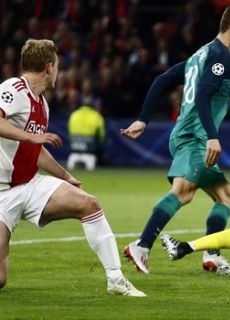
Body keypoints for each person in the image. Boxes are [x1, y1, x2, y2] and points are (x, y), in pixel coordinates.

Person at [0, 39, 145, 297]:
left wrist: (66, 176)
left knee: (88, 204)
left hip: (30, 184)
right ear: (49, 67)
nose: (58, 71)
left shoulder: (41, 103)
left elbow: (36, 151)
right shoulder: (13, 88)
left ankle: (115, 279)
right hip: (2, 193)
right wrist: (32, 137)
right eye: (56, 66)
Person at [121, 5, 230, 273]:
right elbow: (203, 97)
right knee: (183, 193)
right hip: (195, 137)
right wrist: (212, 136)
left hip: (187, 133)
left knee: (226, 197)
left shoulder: (202, 53)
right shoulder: (220, 58)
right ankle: (142, 245)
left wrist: (143, 118)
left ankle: (211, 254)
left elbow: (163, 80)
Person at [67, 101, 105, 171]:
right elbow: (101, 134)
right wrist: (100, 142)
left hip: (74, 148)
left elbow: (69, 129)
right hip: (90, 150)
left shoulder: (74, 114)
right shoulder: (96, 115)